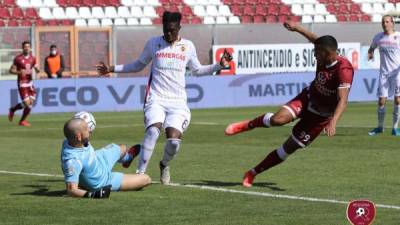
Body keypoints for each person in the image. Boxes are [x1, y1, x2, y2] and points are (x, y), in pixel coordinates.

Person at [96, 11, 232, 184]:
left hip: (178, 102)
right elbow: (138, 65)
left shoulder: (188, 46)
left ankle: (164, 164)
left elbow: (197, 70)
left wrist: (219, 65)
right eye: (166, 29)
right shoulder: (154, 44)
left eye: (172, 30)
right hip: (156, 98)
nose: (168, 33)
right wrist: (112, 68)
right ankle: (140, 173)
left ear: (179, 28)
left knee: (174, 140)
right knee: (153, 130)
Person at [224, 21, 354, 188]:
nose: (314, 55)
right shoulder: (325, 51)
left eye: (316, 52)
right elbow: (316, 39)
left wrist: (333, 122)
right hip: (308, 98)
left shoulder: (343, 70)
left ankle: (252, 173)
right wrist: (298, 28)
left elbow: (343, 99)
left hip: (321, 117)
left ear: (326, 53)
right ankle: (246, 125)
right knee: (278, 120)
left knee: (288, 149)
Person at [61, 118, 151, 198]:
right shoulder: (72, 161)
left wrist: (81, 121)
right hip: (104, 180)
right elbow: (71, 190)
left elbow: (72, 129)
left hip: (98, 158)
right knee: (146, 179)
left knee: (122, 148)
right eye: (86, 129)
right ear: (78, 137)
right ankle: (84, 185)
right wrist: (93, 194)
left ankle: (128, 158)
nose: (89, 129)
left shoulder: (70, 140)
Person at [367, 15, 400, 136]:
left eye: (387, 22)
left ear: (392, 23)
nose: (384, 24)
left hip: (397, 73)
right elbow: (371, 48)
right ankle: (380, 127)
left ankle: (395, 128)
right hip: (384, 74)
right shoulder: (378, 37)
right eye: (383, 22)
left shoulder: (398, 36)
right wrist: (370, 53)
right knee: (381, 101)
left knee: (398, 99)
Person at [8, 41, 40, 127]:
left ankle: (13, 109)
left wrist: (37, 70)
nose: (27, 48)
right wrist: (19, 72)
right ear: (23, 48)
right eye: (25, 47)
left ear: (30, 48)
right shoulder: (18, 59)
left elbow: (36, 68)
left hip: (30, 83)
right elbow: (11, 71)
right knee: (28, 105)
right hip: (22, 83)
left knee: (30, 102)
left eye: (28, 47)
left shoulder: (33, 58)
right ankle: (22, 121)